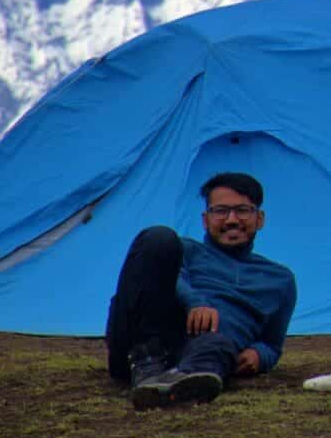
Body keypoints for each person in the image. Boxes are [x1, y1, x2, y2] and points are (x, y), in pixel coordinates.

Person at [105, 172, 297, 409]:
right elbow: (174, 279)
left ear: (260, 218)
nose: (232, 220)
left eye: (243, 210)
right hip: (153, 339)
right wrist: (195, 302)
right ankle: (148, 367)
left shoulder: (280, 279)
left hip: (212, 347)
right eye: (220, 211)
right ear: (206, 220)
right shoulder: (182, 251)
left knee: (215, 343)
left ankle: (179, 383)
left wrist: (259, 354)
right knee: (158, 238)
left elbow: (272, 344)